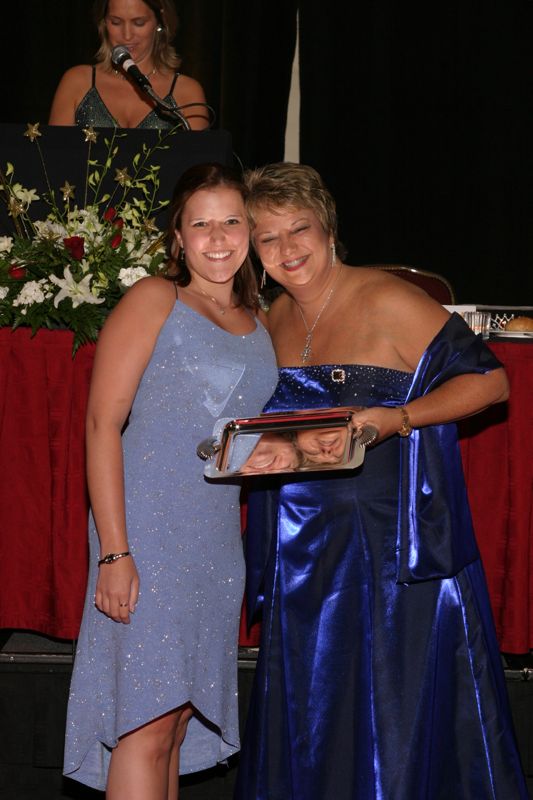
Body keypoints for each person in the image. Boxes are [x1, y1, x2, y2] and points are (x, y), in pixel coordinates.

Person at [234, 162, 529, 799]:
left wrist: (395, 418)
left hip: (393, 551)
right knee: (316, 716)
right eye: (268, 238)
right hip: (304, 553)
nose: (287, 250)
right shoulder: (272, 319)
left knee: (394, 722)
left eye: (299, 230)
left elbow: (490, 380)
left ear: (329, 229)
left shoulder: (386, 297)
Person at [62, 162, 278, 798]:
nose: (217, 237)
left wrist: (273, 455)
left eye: (231, 221)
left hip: (214, 546)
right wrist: (115, 551)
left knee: (176, 724)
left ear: (250, 230)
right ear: (177, 238)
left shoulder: (260, 323)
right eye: (200, 223)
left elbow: (227, 436)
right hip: (143, 535)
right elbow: (102, 424)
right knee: (145, 723)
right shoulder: (156, 299)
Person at [49, 0, 208, 130]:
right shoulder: (77, 82)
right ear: (104, 24)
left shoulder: (187, 92)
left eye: (138, 23)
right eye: (116, 22)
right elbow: (52, 158)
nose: (127, 35)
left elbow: (198, 165)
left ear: (160, 23)